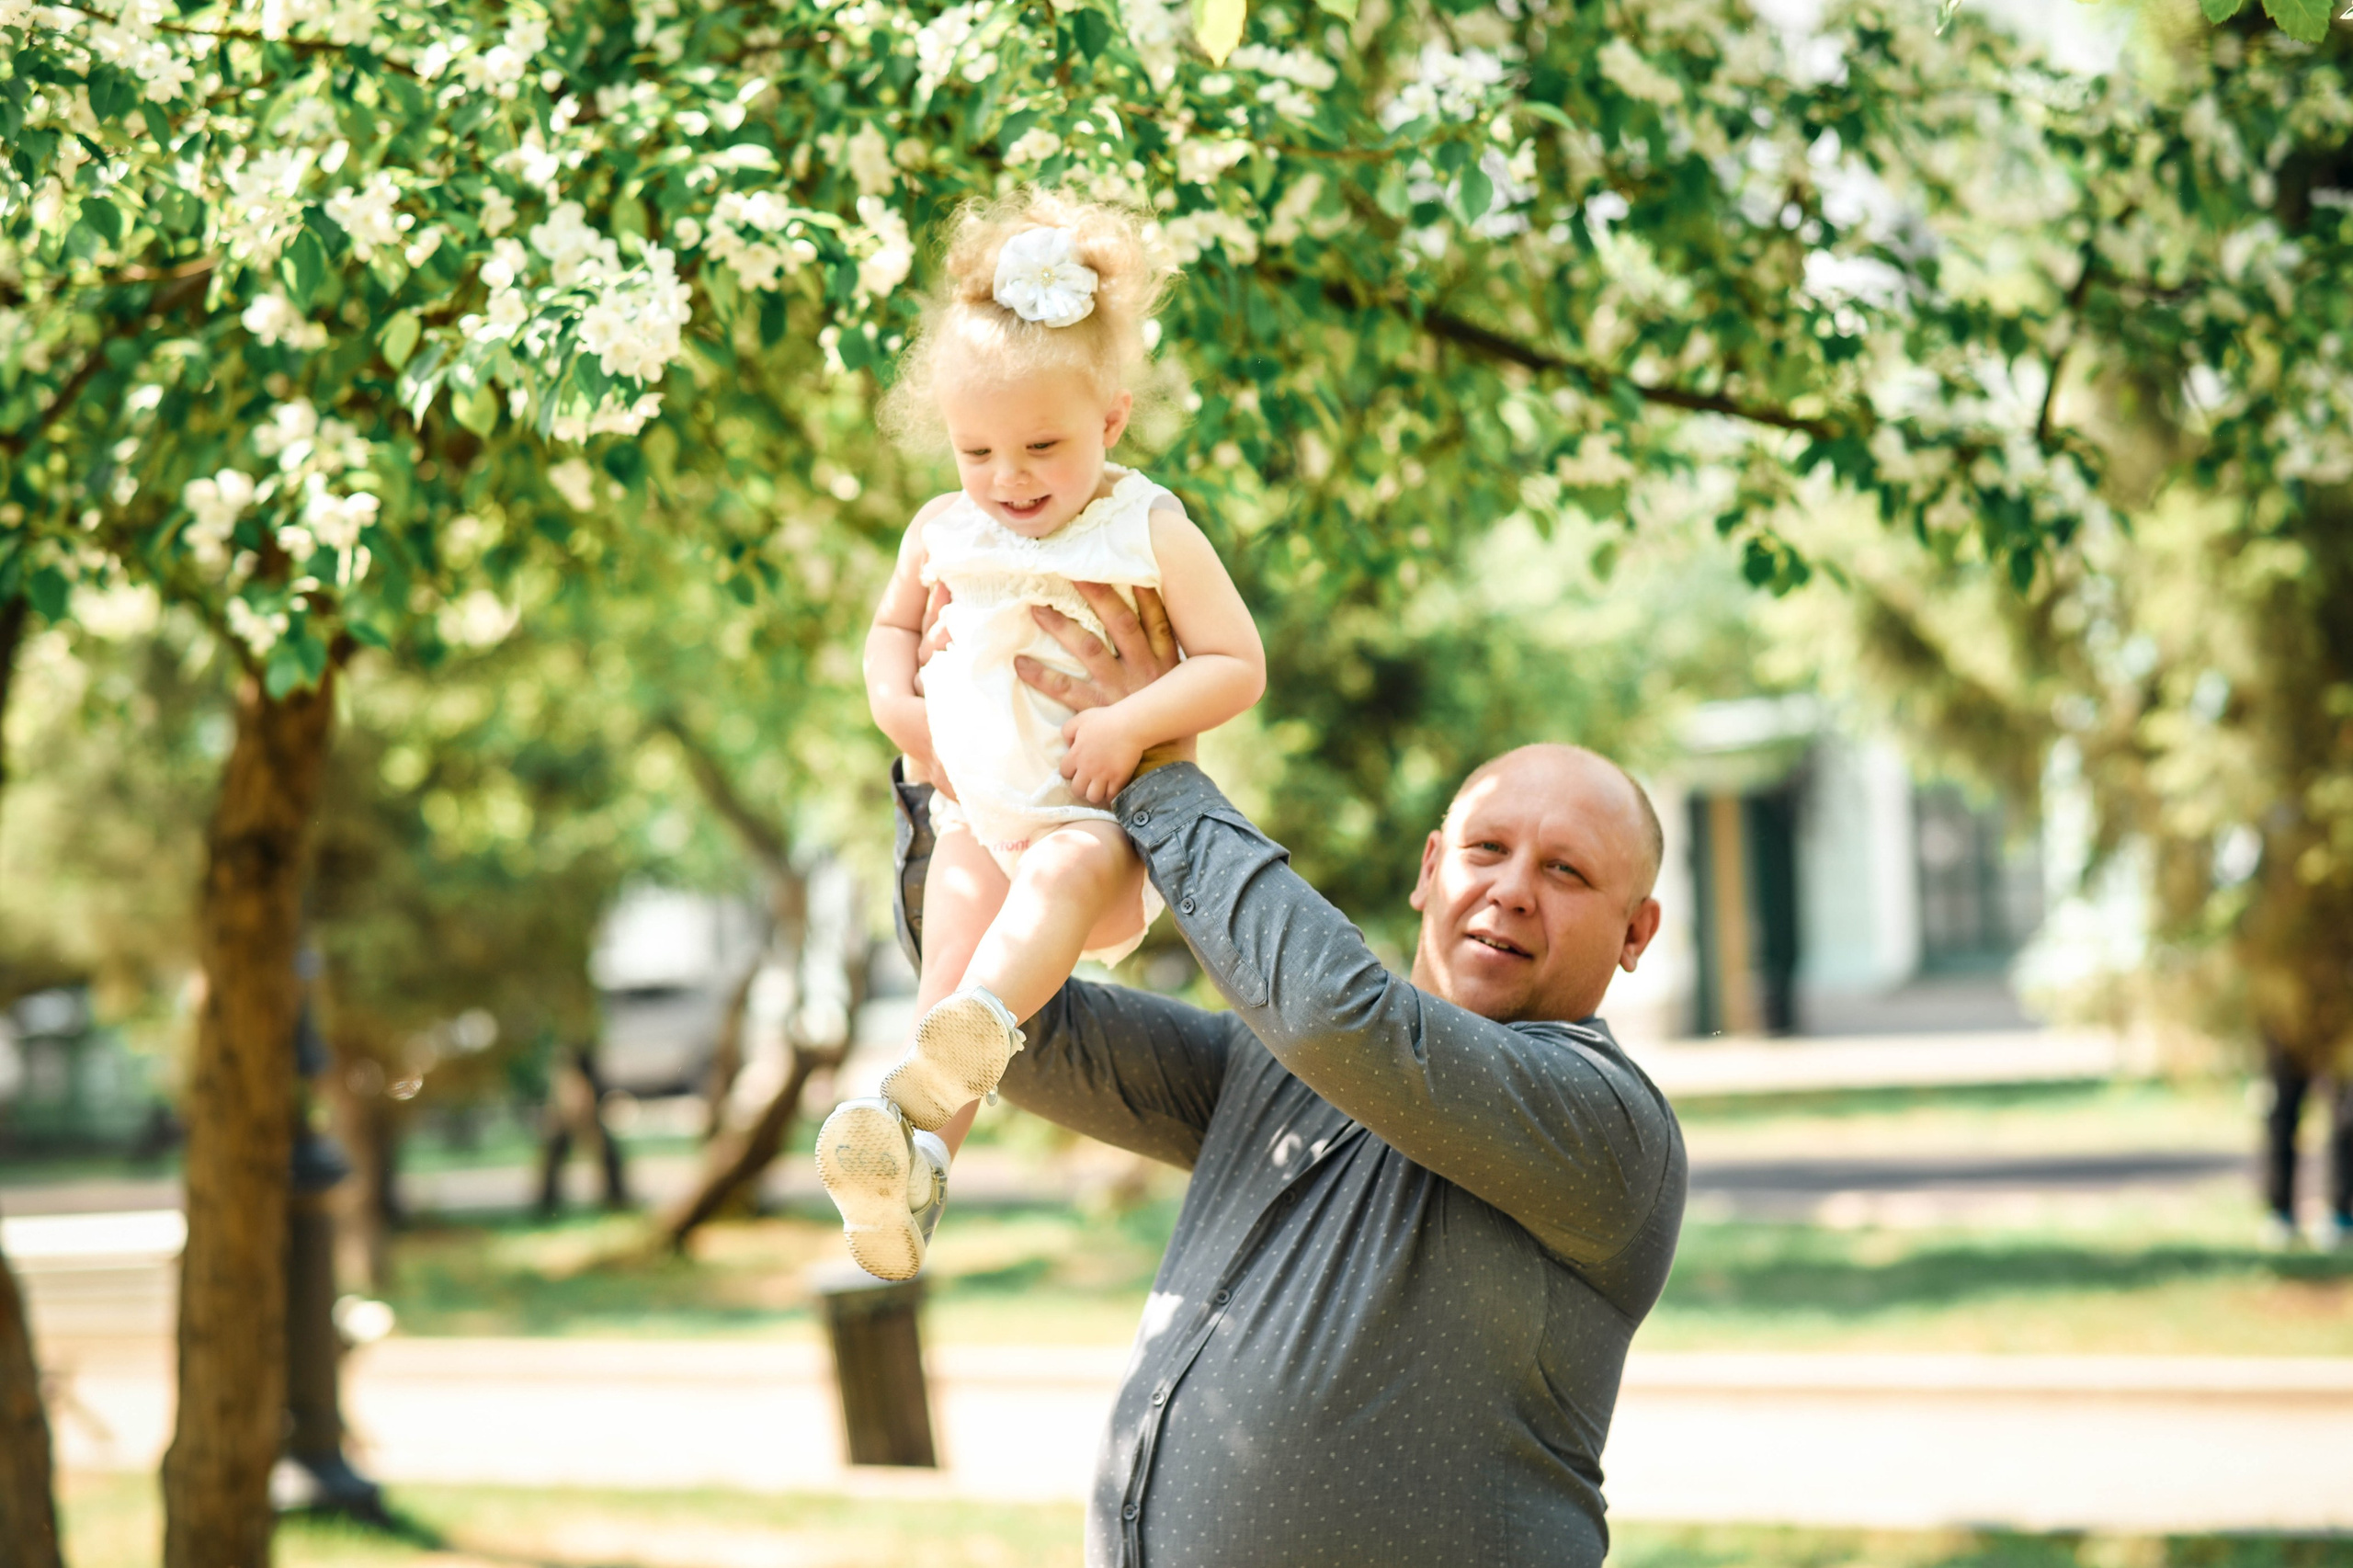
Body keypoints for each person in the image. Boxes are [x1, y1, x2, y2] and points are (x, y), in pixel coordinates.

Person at [889, 585, 1686, 1568]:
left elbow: (1340, 1018)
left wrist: (1156, 772)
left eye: (1566, 871)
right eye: (1486, 848)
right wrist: (952, 774)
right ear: (1430, 868)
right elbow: (1012, 1027)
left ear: (1637, 930)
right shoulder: (1267, 1065)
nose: (1512, 889)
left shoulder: (1609, 1122)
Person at [817, 190, 1267, 1281]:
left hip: (1087, 808)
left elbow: (1234, 664)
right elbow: (889, 629)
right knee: (956, 929)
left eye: (1041, 445)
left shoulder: (1145, 523)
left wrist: (1128, 721)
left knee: (1051, 879)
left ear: (1110, 421)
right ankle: (911, 1166)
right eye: (976, 449)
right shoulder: (942, 526)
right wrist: (894, 705)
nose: (1008, 477)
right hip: (972, 804)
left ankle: (971, 1032)